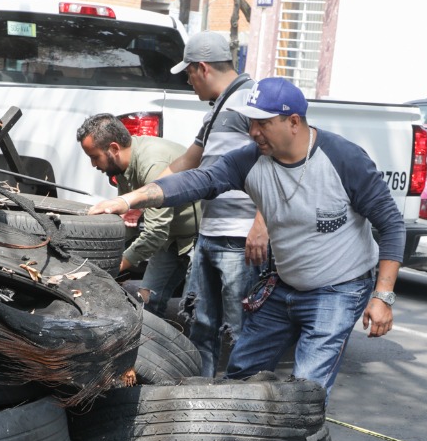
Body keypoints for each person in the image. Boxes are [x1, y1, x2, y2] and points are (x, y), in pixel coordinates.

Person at [91, 77, 405, 395]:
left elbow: (392, 224)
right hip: (284, 283)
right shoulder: (249, 159)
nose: (253, 131)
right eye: (251, 122)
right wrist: (129, 199)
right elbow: (197, 180)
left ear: (293, 122)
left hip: (339, 288)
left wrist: (382, 297)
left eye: (263, 123)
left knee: (307, 387)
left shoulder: (344, 159)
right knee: (241, 375)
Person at [161, 31, 259, 374]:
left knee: (241, 329)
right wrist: (140, 194)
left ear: (202, 68)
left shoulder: (252, 99)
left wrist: (262, 225)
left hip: (241, 239)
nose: (189, 82)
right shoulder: (217, 109)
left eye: (188, 74)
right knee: (202, 324)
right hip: (210, 233)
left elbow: (279, 164)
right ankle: (203, 395)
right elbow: (189, 161)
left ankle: (245, 402)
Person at [77, 114, 199, 317]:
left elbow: (155, 233)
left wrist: (114, 267)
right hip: (171, 239)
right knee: (147, 303)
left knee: (193, 312)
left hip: (198, 238)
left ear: (114, 149)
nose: (93, 164)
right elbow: (128, 225)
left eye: (94, 157)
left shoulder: (151, 164)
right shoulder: (122, 166)